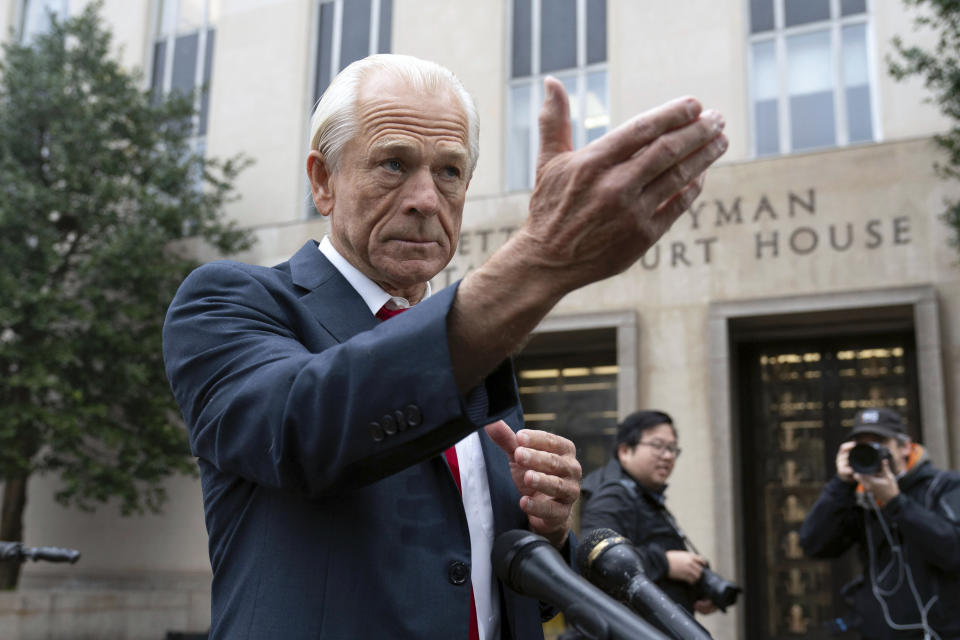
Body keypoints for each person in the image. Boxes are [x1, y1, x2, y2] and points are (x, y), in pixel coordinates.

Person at [162, 54, 727, 639]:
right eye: (393, 163)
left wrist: (550, 529)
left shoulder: (473, 351)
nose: (426, 199)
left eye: (450, 172)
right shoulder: (229, 302)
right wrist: (541, 261)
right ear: (322, 181)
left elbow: (492, 584)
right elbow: (305, 428)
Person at [799, 408, 960, 639]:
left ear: (905, 446)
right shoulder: (860, 498)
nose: (873, 452)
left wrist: (896, 502)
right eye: (862, 446)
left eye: (880, 443)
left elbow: (953, 551)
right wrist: (840, 485)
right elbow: (813, 544)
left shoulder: (944, 486)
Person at [579, 410, 720, 616]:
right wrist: (666, 563)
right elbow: (599, 562)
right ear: (625, 451)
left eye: (672, 448)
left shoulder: (645, 496)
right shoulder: (611, 497)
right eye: (657, 446)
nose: (668, 456)